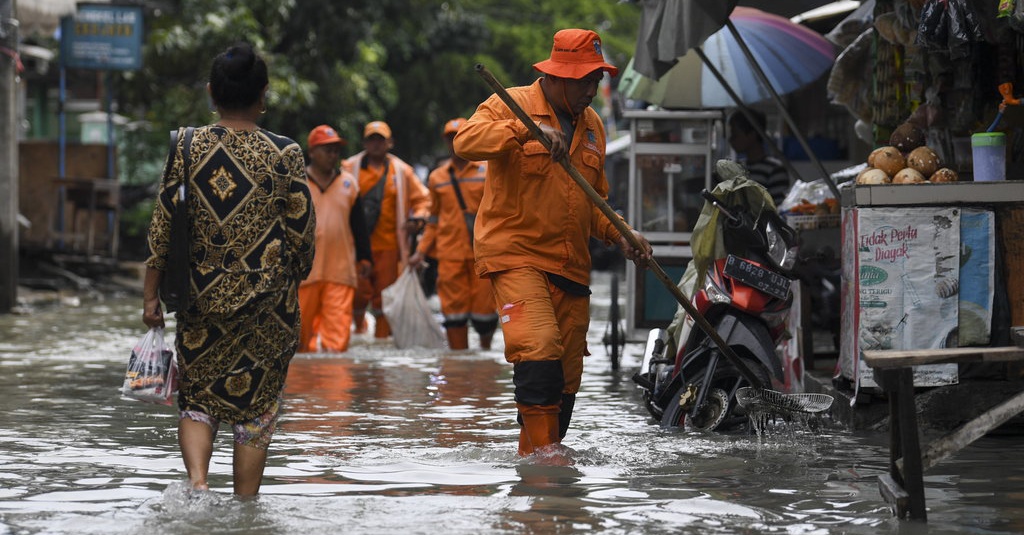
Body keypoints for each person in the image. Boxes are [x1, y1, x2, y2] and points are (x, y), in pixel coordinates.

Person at [453, 29, 652, 457]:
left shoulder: (594, 127)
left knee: (565, 381)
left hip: (570, 266)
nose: (591, 91)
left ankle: (540, 474)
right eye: (584, 81)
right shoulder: (513, 104)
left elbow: (594, 201)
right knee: (538, 350)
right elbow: (465, 142)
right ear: (559, 76)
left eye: (595, 80)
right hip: (516, 255)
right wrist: (523, 133)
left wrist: (623, 233)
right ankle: (545, 474)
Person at [141, 43, 315, 497]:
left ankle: (198, 484)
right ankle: (244, 506)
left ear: (210, 93)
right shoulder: (286, 154)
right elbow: (301, 235)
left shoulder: (186, 145)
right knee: (257, 410)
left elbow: (162, 226)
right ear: (263, 95)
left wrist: (149, 296)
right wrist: (291, 277)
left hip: (200, 300)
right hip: (268, 309)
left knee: (197, 399)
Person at [408, 118, 497, 350]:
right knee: (454, 315)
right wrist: (420, 253)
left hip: (483, 255)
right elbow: (434, 220)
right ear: (446, 141)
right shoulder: (437, 177)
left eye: (460, 135)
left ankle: (484, 361)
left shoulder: (487, 171)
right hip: (450, 256)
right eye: (450, 137)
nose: (455, 141)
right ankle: (459, 366)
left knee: (485, 313)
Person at [342, 121, 431, 339]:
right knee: (357, 294)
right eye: (371, 139)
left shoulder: (403, 171)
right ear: (364, 143)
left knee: (385, 298)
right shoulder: (349, 168)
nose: (375, 144)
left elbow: (423, 200)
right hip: (356, 246)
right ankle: (358, 331)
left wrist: (417, 219)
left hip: (390, 246)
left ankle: (382, 340)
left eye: (380, 139)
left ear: (389, 142)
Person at [298, 125, 373, 353]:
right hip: (304, 274)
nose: (333, 155)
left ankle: (335, 387)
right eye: (327, 150)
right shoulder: (298, 183)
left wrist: (365, 258)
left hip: (340, 272)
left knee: (337, 343)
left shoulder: (349, 184)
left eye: (335, 150)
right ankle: (304, 388)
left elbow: (359, 226)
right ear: (312, 152)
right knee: (300, 342)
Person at [727, 109, 790, 206]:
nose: (731, 139)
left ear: (752, 135)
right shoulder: (738, 167)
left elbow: (779, 209)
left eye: (735, 135)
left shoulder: (775, 169)